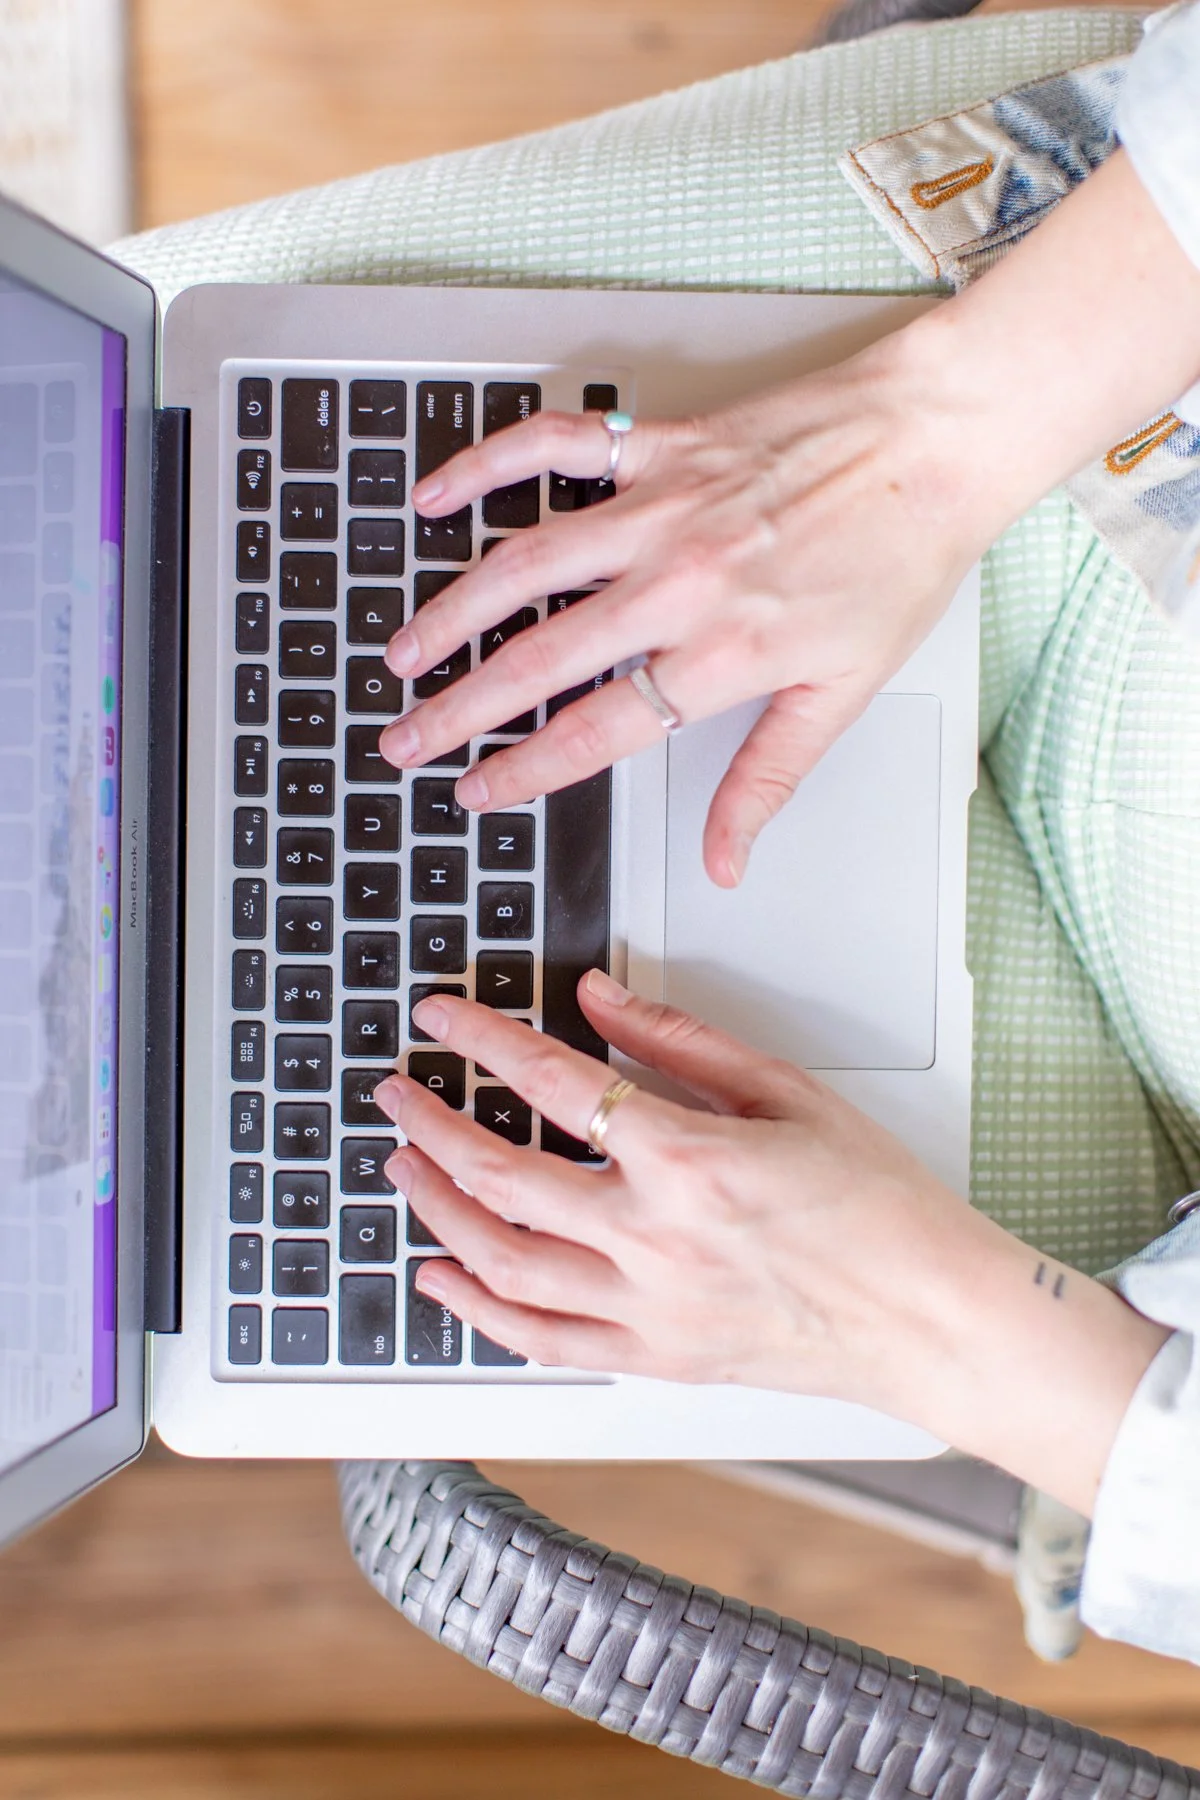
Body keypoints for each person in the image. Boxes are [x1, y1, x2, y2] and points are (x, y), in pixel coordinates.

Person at [365, 5, 1200, 1664]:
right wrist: (926, 430)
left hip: (1132, 1200)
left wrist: (927, 1328)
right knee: (178, 407)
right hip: (1116, 384)